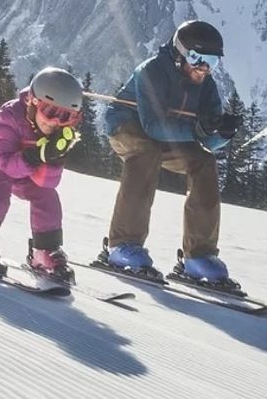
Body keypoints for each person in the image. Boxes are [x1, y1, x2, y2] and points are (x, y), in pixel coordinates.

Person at [102, 19, 242, 283]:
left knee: (203, 161)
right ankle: (122, 245)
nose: (203, 69)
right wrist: (197, 130)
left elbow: (203, 142)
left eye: (211, 62)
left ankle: (199, 256)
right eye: (197, 58)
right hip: (127, 125)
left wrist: (220, 134)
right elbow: (152, 126)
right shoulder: (152, 71)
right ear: (179, 53)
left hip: (167, 136)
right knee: (146, 151)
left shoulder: (207, 86)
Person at [0, 67, 85, 281]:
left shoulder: (59, 135)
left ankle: (44, 252)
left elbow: (46, 182)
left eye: (65, 116)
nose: (55, 122)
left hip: (20, 164)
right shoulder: (7, 118)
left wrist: (52, 157)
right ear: (33, 103)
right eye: (50, 111)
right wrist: (36, 156)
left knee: (46, 195)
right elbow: (6, 165)